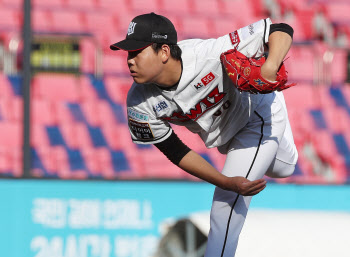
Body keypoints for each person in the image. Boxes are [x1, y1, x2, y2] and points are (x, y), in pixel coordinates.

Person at [110, 12, 298, 257]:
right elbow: (175, 151)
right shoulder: (139, 102)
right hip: (228, 137)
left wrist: (269, 67)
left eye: (137, 52)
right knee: (284, 168)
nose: (130, 60)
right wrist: (223, 179)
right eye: (128, 53)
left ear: (164, 52)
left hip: (255, 118)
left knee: (225, 202)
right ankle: (278, 125)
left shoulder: (210, 54)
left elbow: (280, 28)